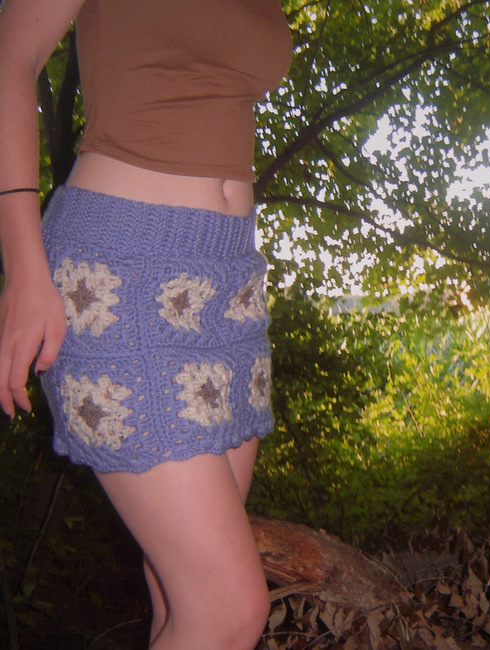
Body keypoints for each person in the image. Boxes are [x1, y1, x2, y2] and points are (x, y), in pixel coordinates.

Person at [0, 0, 292, 647]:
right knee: (228, 611)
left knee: (179, 603)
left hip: (228, 286)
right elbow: (9, 56)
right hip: (117, 276)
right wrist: (22, 269)